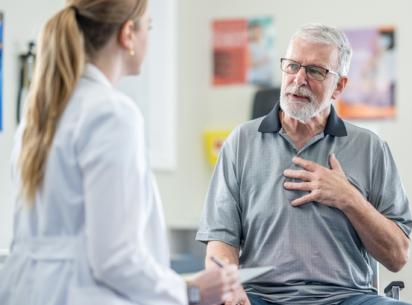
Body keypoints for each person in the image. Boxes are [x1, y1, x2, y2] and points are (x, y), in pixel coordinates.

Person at [0, 1, 242, 305]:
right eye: (148, 27)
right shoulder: (111, 113)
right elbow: (115, 259)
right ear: (128, 34)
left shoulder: (40, 114)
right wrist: (190, 292)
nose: (149, 38)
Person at [197, 24, 412, 305]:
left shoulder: (370, 148)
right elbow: (220, 242)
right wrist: (228, 287)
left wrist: (349, 198)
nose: (299, 79)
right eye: (292, 66)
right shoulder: (241, 142)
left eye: (315, 70)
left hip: (347, 298)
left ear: (339, 86)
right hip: (261, 298)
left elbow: (397, 256)